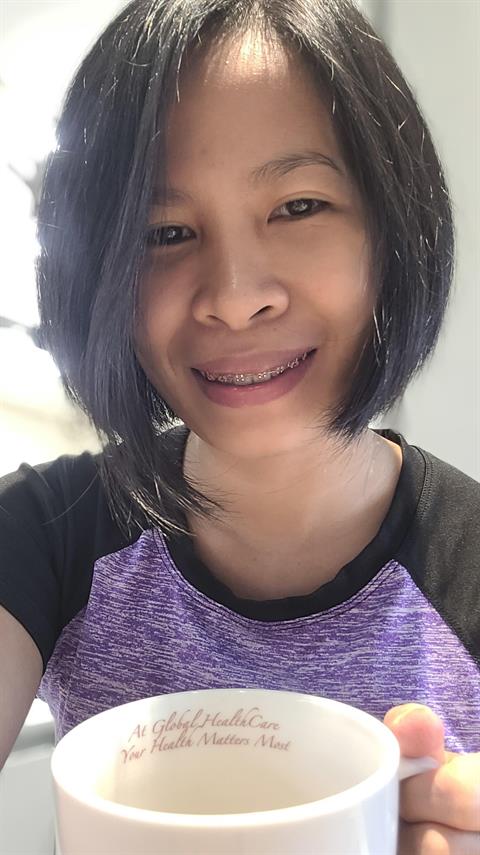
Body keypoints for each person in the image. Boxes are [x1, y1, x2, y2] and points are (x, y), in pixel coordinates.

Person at [0, 0, 478, 850]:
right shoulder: (41, 534)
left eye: (298, 206)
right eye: (166, 231)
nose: (233, 296)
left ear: (393, 225)